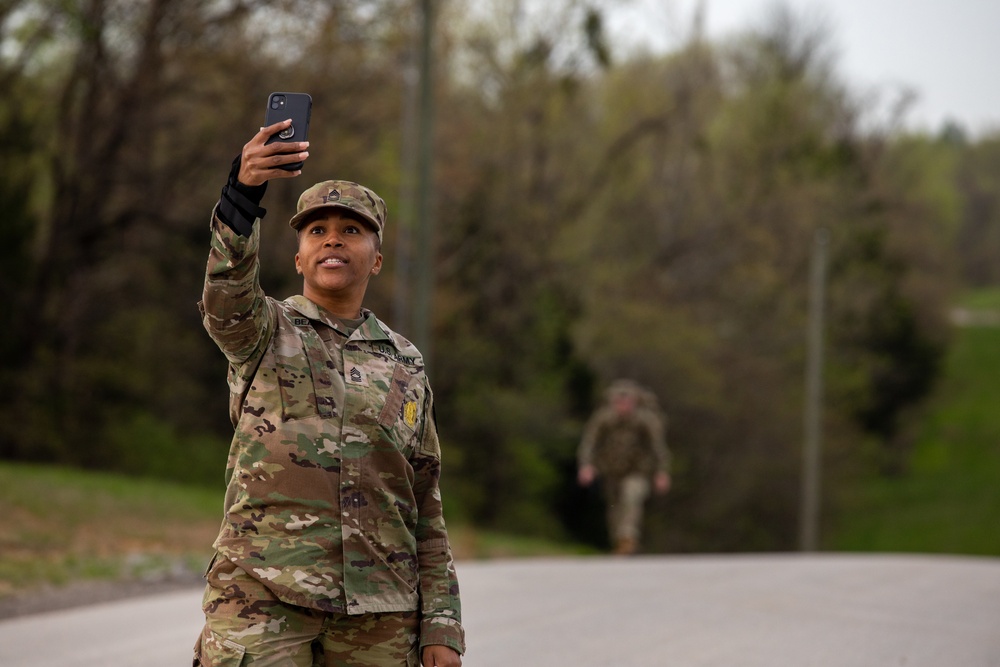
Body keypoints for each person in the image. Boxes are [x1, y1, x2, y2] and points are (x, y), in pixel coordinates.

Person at [192, 119, 464, 667]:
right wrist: (242, 195)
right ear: (298, 259)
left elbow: (425, 502)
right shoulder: (263, 331)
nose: (333, 238)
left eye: (351, 229)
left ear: (376, 258)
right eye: (316, 231)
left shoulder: (405, 362)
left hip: (381, 613)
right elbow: (226, 294)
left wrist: (442, 622)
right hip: (262, 596)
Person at [577, 379, 671, 555]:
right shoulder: (603, 419)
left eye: (627, 402)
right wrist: (586, 466)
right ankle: (621, 544)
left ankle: (628, 535)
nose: (623, 406)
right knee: (614, 507)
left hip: (637, 472)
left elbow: (658, 448)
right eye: (619, 402)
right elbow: (589, 444)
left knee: (632, 497)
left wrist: (662, 472)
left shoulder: (645, 421)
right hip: (610, 472)